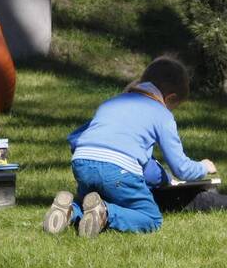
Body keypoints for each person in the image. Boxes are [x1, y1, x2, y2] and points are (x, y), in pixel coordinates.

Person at [42, 56, 216, 237]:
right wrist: (203, 166)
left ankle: (70, 211)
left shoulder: (112, 102)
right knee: (151, 217)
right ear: (170, 97)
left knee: (94, 198)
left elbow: (77, 136)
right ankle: (105, 213)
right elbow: (182, 169)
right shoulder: (162, 114)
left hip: (82, 162)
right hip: (118, 170)